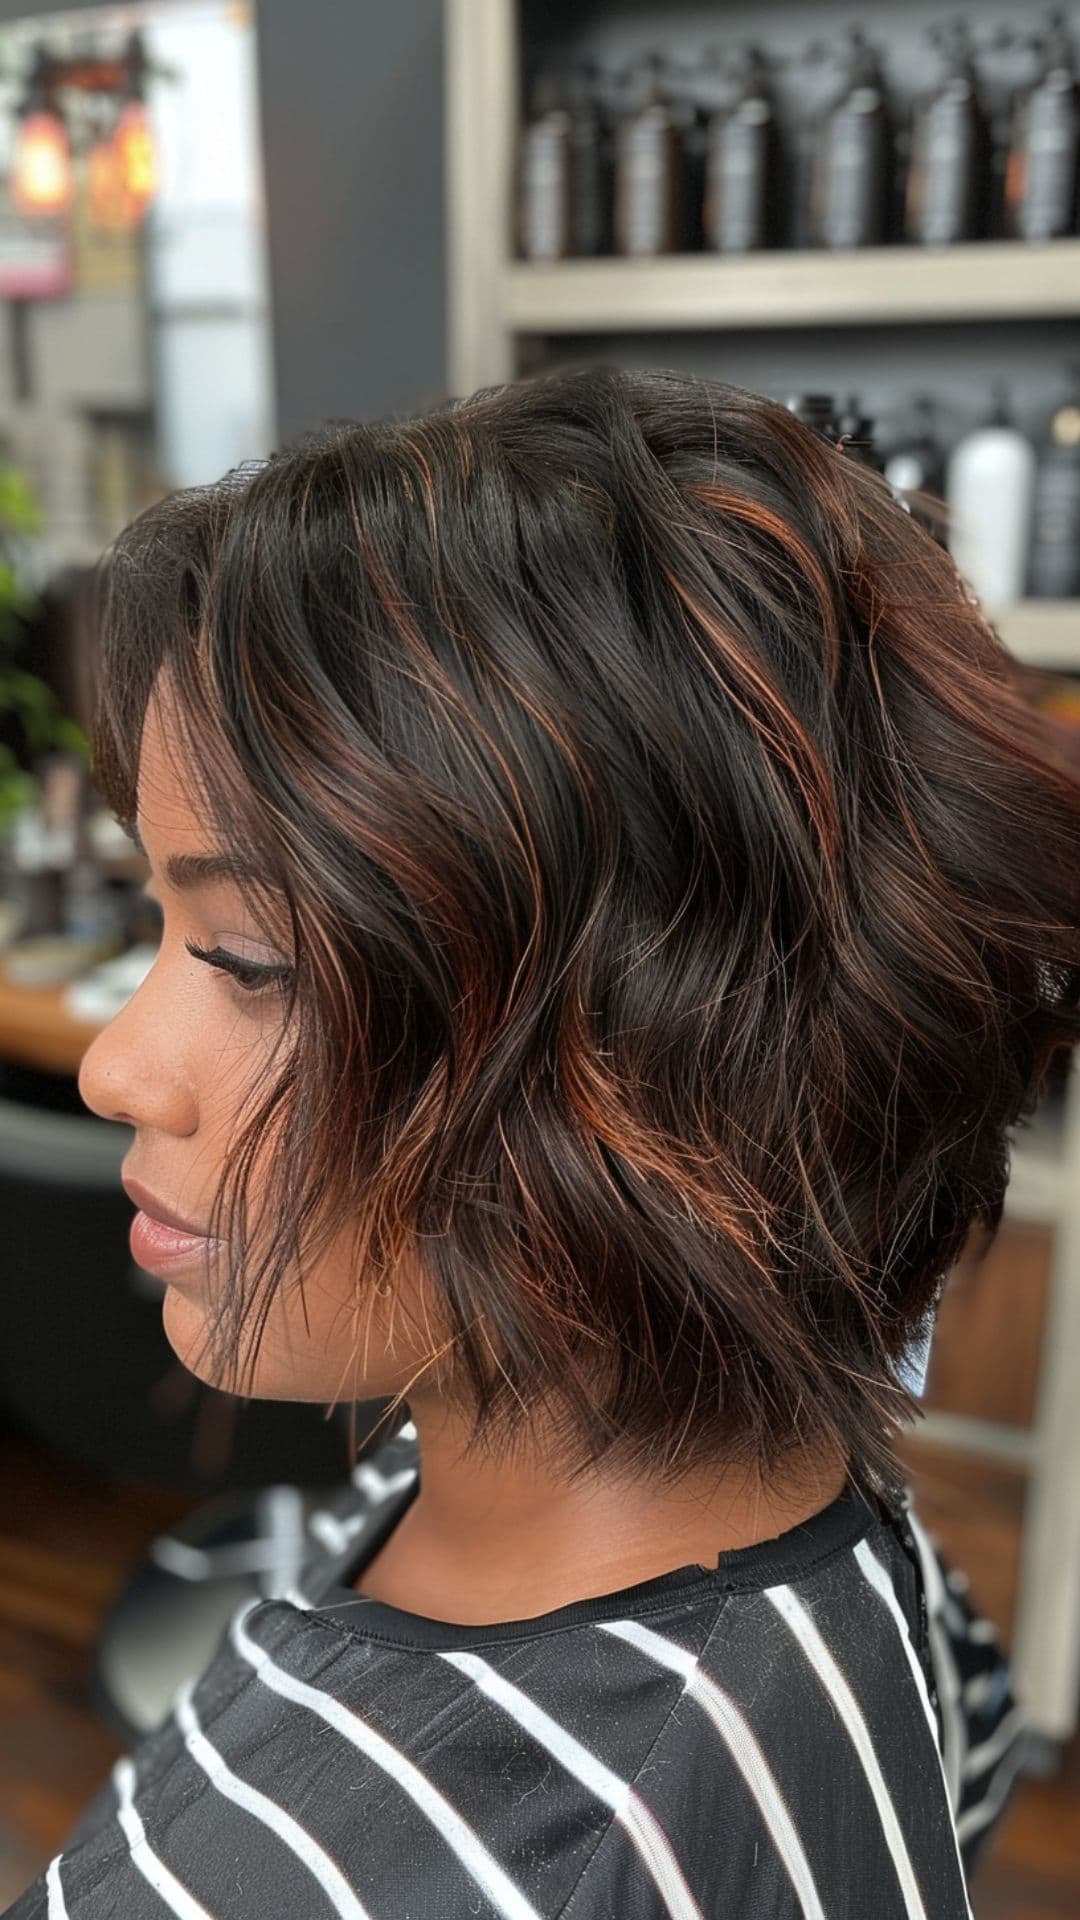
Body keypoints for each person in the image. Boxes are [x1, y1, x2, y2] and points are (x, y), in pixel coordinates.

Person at [10, 366, 1077, 1918]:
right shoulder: (749, 1528)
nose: (119, 1066)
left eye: (246, 957)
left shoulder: (552, 1863)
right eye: (159, 924)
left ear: (654, 1054)